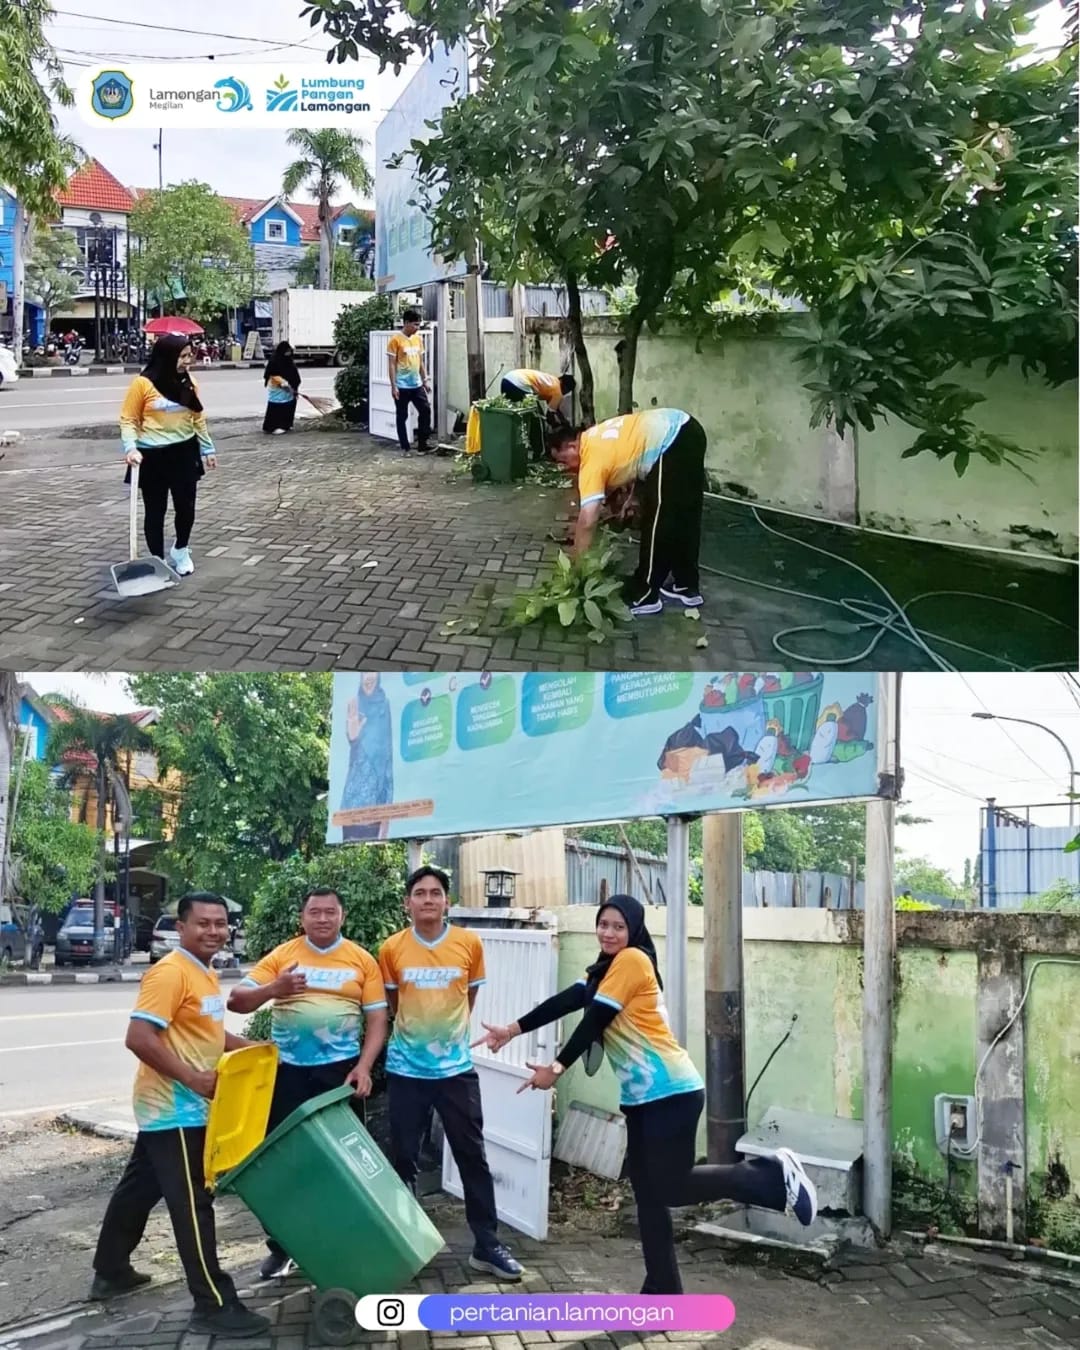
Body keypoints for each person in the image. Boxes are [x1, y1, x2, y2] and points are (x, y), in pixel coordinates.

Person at [475, 894, 818, 1296]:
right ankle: (662, 1287)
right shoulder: (602, 973)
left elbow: (593, 1021)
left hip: (670, 1092)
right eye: (603, 924)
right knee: (648, 1194)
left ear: (633, 930)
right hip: (643, 1101)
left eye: (618, 926)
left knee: (670, 1187)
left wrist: (555, 1068)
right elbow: (565, 1003)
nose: (608, 932)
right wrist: (511, 1030)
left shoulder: (632, 960)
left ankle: (769, 1175)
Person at [90, 893, 270, 1340]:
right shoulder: (169, 972)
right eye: (203, 923)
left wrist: (251, 1051)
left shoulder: (203, 971)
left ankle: (110, 1270)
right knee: (193, 1206)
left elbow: (206, 1031)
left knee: (138, 1188)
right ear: (181, 927)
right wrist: (193, 1079)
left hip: (176, 1110)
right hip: (173, 1109)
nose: (213, 930)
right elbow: (138, 1037)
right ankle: (213, 1303)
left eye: (220, 923)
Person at [227, 887, 389, 1279]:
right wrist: (273, 989)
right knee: (282, 1163)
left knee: (342, 1164)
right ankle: (282, 1245)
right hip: (286, 1074)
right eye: (314, 912)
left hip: (340, 1074)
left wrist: (364, 1068)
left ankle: (342, 1245)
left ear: (342, 916)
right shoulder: (284, 956)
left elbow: (378, 1021)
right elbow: (236, 1000)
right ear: (303, 918)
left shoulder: (361, 960)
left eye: (329, 912)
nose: (321, 918)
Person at [379, 866, 523, 1281]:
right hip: (406, 1070)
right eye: (420, 893)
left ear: (447, 901)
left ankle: (488, 1245)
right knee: (404, 1159)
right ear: (407, 903)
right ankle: (403, 1245)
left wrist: (447, 1039)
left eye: (436, 893)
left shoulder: (468, 943)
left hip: (456, 1071)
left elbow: (469, 996)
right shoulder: (391, 949)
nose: (428, 899)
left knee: (472, 1157)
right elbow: (393, 1004)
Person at [549, 409, 706, 616]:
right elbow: (635, 456)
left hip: (671, 441)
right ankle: (686, 585)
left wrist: (578, 568)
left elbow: (587, 520)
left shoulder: (591, 462)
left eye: (563, 460)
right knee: (684, 516)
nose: (565, 468)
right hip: (688, 429)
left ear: (572, 446)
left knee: (658, 520)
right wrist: (633, 497)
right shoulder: (595, 436)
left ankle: (645, 594)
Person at [119, 333, 217, 577]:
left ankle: (181, 549)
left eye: (189, 355)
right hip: (150, 457)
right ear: (167, 356)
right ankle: (157, 560)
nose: (188, 361)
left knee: (186, 508)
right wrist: (130, 447)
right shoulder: (142, 384)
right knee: (155, 511)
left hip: (184, 452)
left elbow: (197, 417)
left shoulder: (189, 383)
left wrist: (208, 448)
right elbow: (128, 419)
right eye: (182, 356)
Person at [341, 673, 394, 842]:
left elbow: (388, 759)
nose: (368, 681)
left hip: (375, 806)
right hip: (351, 804)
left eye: (372, 678)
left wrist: (385, 823)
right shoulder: (355, 705)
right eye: (365, 678)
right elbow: (353, 739)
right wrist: (354, 735)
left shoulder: (384, 706)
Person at [387, 309, 432, 454]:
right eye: (415, 324)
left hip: (417, 384)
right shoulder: (395, 340)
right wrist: (394, 386)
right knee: (402, 416)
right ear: (406, 323)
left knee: (425, 410)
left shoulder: (418, 339)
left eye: (419, 325)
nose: (417, 328)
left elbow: (420, 361)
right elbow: (392, 364)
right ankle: (405, 447)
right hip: (402, 385)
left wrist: (425, 380)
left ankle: (422, 445)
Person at [500, 369, 575, 425]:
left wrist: (563, 420)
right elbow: (549, 416)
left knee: (513, 413)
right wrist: (558, 426)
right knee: (538, 420)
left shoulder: (552, 381)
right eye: (566, 391)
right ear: (563, 384)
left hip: (507, 379)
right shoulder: (558, 391)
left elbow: (554, 409)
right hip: (520, 384)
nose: (564, 394)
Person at [262, 341, 301, 435]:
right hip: (277, 389)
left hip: (289, 391)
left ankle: (286, 425)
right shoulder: (274, 361)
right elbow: (272, 374)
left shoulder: (289, 361)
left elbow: (295, 376)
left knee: (289, 406)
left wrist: (293, 387)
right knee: (277, 407)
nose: (288, 354)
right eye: (287, 352)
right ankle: (274, 426)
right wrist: (284, 384)